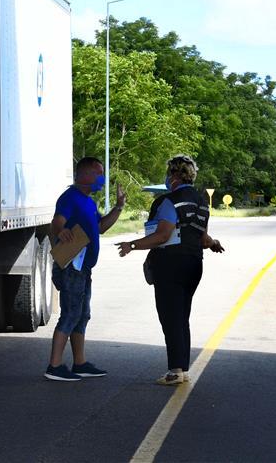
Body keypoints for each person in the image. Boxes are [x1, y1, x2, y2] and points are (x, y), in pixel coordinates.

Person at [116, 155, 224, 386]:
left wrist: (132, 245)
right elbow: (203, 237)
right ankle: (182, 369)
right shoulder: (201, 202)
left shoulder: (169, 201)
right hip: (194, 264)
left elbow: (163, 235)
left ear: (174, 175)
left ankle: (175, 371)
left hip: (171, 265)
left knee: (170, 317)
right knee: (182, 316)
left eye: (168, 173)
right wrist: (214, 244)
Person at [45, 157, 126, 382]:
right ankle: (54, 366)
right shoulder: (70, 197)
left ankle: (79, 363)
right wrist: (61, 230)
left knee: (82, 315)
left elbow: (100, 227)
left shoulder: (88, 202)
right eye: (99, 173)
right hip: (72, 266)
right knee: (70, 313)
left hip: (84, 268)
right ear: (86, 175)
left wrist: (119, 208)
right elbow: (57, 221)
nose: (102, 178)